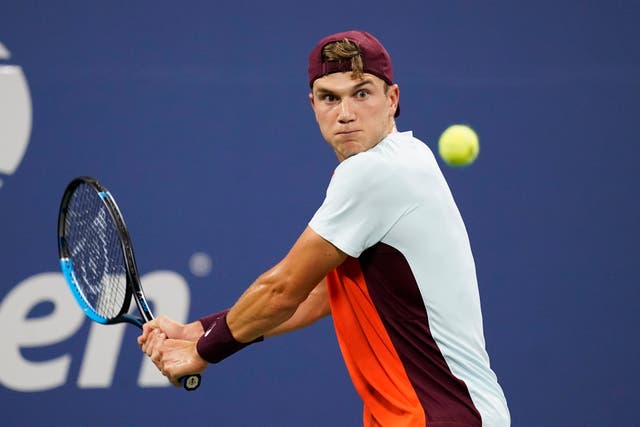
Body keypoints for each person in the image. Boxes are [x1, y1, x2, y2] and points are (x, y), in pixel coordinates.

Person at [138, 30, 510, 426]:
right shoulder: (407, 158)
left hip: (439, 417)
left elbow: (282, 289)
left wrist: (203, 353)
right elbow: (315, 294)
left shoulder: (376, 172)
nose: (345, 113)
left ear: (393, 99)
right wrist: (196, 331)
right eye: (330, 97)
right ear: (312, 105)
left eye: (361, 93)